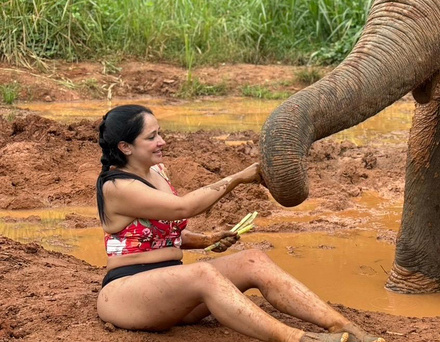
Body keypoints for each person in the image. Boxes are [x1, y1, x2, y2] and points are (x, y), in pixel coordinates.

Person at [96, 104, 384, 342]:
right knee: (204, 274)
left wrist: (206, 240)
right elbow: (183, 208)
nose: (162, 142)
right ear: (126, 147)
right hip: (128, 292)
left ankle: (344, 327)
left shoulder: (157, 171)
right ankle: (299, 339)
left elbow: (156, 233)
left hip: (172, 289)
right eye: (151, 137)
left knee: (252, 260)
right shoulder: (118, 187)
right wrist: (236, 178)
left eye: (159, 133)